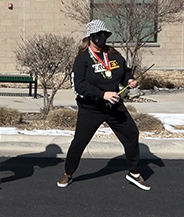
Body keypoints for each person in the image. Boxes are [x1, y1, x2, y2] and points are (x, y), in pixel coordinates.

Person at [56, 19, 151, 191]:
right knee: (79, 142)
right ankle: (68, 173)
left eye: (105, 35)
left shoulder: (114, 55)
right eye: (98, 35)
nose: (102, 38)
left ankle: (134, 173)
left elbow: (124, 71)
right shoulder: (83, 59)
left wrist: (129, 80)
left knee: (131, 134)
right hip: (91, 108)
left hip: (114, 106)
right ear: (90, 37)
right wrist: (103, 94)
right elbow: (79, 86)